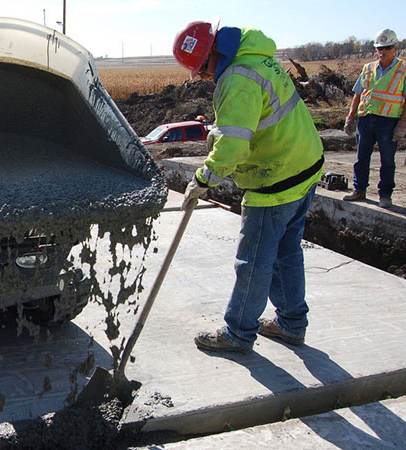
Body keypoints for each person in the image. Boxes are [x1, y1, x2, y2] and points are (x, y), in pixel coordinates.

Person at [172, 20, 324, 353]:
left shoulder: (237, 79)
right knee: (286, 253)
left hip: (277, 178)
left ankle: (239, 332)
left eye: (201, 69)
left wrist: (203, 179)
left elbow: (235, 146)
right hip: (305, 165)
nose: (202, 77)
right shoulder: (257, 57)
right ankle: (292, 324)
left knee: (253, 261)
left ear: (213, 53)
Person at [343, 28, 406, 209]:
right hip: (366, 118)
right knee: (361, 156)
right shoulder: (368, 68)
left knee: (387, 159)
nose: (383, 52)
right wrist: (350, 116)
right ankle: (359, 189)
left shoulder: (403, 70)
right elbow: (358, 94)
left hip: (388, 120)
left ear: (395, 48)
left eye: (386, 48)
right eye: (380, 48)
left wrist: (403, 123)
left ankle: (385, 194)